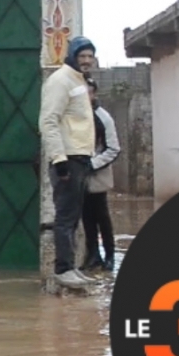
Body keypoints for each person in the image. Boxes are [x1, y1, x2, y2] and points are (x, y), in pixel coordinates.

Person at [39, 37, 98, 290]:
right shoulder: (61, 81)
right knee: (65, 217)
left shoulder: (79, 81)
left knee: (73, 217)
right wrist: (59, 159)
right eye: (82, 56)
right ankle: (63, 269)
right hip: (68, 158)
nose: (86, 61)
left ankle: (71, 266)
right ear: (72, 55)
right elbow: (48, 121)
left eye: (89, 56)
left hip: (81, 157)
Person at [80, 78, 121, 274]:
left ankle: (110, 256)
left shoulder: (103, 118)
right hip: (80, 173)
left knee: (102, 217)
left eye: (88, 93)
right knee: (86, 216)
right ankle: (93, 255)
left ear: (94, 94)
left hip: (98, 173)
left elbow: (113, 148)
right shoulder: (76, 116)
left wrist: (93, 164)